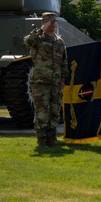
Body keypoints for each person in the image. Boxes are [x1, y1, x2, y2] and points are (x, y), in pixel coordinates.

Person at [24, 12, 67, 147]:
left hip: (55, 82)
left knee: (54, 111)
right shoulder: (38, 39)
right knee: (42, 111)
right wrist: (41, 29)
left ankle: (51, 137)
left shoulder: (59, 41)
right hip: (41, 82)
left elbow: (64, 62)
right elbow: (27, 42)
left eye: (55, 22)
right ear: (45, 22)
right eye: (51, 22)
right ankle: (41, 139)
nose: (54, 25)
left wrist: (62, 80)